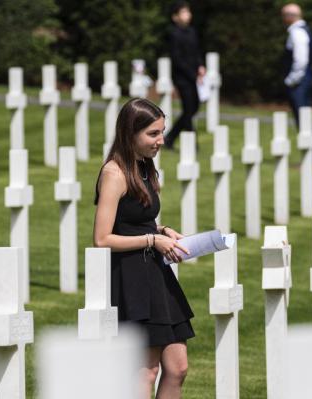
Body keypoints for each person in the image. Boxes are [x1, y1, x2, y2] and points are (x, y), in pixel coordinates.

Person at [94, 98, 193, 399]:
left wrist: (162, 230)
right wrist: (153, 240)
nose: (161, 140)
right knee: (146, 371)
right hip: (133, 278)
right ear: (130, 133)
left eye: (162, 132)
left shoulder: (145, 168)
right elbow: (102, 239)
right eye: (153, 134)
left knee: (177, 368)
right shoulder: (115, 173)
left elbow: (137, 219)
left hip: (156, 274)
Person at [281, 3, 312, 164]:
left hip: (299, 83)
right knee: (304, 118)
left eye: (284, 16)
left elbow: (300, 60)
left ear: (290, 16)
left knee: (304, 119)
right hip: (302, 81)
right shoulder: (301, 30)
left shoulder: (297, 32)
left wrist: (290, 81)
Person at [165, 1, 205, 149]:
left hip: (193, 76)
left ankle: (170, 137)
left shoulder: (192, 32)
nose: (188, 15)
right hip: (182, 78)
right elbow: (177, 59)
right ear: (175, 17)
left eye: (188, 12)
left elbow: (196, 52)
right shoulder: (174, 34)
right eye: (184, 12)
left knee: (194, 107)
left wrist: (200, 66)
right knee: (188, 109)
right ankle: (192, 143)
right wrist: (191, 74)